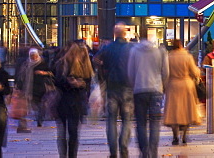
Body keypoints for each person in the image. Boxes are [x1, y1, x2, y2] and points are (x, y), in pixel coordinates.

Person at [94, 22, 133, 158]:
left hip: (112, 87)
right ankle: (123, 146)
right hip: (127, 87)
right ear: (125, 34)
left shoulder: (108, 48)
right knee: (126, 119)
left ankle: (112, 151)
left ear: (114, 34)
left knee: (111, 120)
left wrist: (104, 69)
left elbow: (95, 59)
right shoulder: (130, 48)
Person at [127, 30, 167, 158]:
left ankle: (144, 151)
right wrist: (162, 85)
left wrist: (134, 85)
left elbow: (130, 72)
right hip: (156, 90)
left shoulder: (134, 51)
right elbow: (166, 72)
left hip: (139, 90)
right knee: (155, 122)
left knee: (141, 122)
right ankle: (153, 151)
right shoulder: (160, 51)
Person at [53, 42, 93, 158]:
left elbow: (88, 83)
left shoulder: (85, 64)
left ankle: (71, 155)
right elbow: (57, 81)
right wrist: (69, 83)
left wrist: (81, 84)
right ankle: (64, 155)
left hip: (76, 101)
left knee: (72, 131)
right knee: (65, 131)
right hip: (64, 100)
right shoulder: (62, 63)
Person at [163, 39, 200, 146]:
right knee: (186, 111)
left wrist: (164, 86)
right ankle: (184, 136)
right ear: (181, 45)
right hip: (186, 85)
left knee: (174, 112)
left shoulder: (168, 57)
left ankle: (175, 136)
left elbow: (165, 73)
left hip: (173, 85)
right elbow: (194, 72)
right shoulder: (187, 56)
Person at [18, 47, 53, 129]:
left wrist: (43, 73)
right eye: (32, 55)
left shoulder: (43, 63)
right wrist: (19, 86)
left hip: (40, 87)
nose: (33, 57)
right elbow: (21, 76)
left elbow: (51, 73)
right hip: (28, 87)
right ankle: (26, 121)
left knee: (40, 105)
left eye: (35, 55)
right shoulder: (26, 64)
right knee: (30, 105)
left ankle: (40, 119)